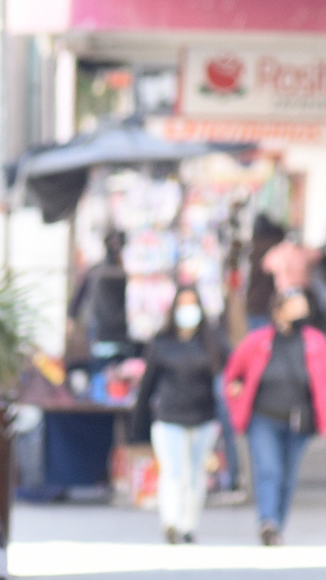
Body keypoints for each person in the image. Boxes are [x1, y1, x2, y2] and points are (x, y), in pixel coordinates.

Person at [222, 289, 326, 546]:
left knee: (288, 475)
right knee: (268, 469)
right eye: (294, 307)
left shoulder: (315, 341)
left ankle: (277, 526)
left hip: (299, 420)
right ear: (279, 312)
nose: (301, 313)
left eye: (303, 307)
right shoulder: (258, 340)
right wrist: (236, 392)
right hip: (263, 417)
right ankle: (268, 521)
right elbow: (233, 373)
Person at [131, 285, 224, 543]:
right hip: (169, 417)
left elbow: (225, 380)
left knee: (195, 474)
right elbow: (146, 387)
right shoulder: (161, 344)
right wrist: (136, 427)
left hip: (203, 417)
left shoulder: (211, 343)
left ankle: (188, 524)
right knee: (173, 472)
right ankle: (170, 521)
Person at [69, 231, 131, 362]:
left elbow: (79, 295)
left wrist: (72, 316)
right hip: (108, 330)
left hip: (99, 328)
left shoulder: (96, 269)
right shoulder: (116, 271)